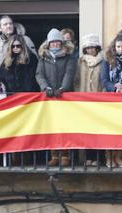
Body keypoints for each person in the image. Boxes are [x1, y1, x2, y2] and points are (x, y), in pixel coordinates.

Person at [35, 28, 77, 167]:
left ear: (61, 43)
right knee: (52, 127)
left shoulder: (69, 57)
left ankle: (65, 155)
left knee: (64, 127)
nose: (55, 45)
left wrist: (63, 88)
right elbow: (39, 74)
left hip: (64, 96)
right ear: (48, 43)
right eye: (52, 42)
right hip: (49, 96)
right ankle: (54, 155)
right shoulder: (43, 58)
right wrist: (45, 87)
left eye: (57, 42)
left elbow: (69, 73)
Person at [101, 35, 122, 168]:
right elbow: (104, 79)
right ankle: (109, 157)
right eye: (118, 46)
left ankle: (119, 156)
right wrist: (115, 86)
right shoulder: (107, 60)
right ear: (114, 48)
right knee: (109, 128)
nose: (120, 49)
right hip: (110, 98)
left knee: (121, 128)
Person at [74, 34, 104, 167]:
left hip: (99, 101)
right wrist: (78, 95)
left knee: (100, 130)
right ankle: (88, 157)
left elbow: (104, 80)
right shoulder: (80, 62)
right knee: (87, 130)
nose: (90, 50)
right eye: (88, 48)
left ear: (97, 48)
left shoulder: (103, 62)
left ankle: (99, 157)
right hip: (83, 102)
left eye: (93, 47)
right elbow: (76, 80)